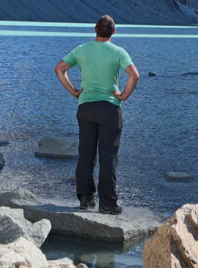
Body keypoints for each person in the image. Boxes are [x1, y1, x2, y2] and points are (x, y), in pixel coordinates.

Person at [54, 14, 139, 214]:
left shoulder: (81, 50)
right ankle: (108, 204)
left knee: (86, 154)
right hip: (110, 108)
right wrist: (123, 96)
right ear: (114, 32)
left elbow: (59, 69)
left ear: (94, 29)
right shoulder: (118, 52)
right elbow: (134, 75)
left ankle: (86, 199)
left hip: (86, 107)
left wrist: (74, 91)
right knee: (108, 157)